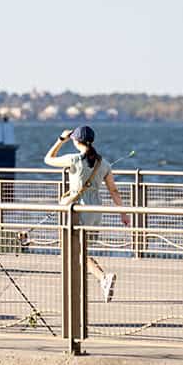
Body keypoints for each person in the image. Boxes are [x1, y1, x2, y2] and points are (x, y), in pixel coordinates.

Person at [44, 125, 130, 303]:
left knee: (74, 250)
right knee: (79, 250)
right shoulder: (103, 163)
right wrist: (123, 213)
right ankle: (91, 284)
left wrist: (60, 140)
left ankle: (101, 278)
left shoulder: (74, 159)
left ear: (75, 140)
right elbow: (114, 190)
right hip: (95, 211)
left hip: (77, 210)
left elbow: (48, 159)